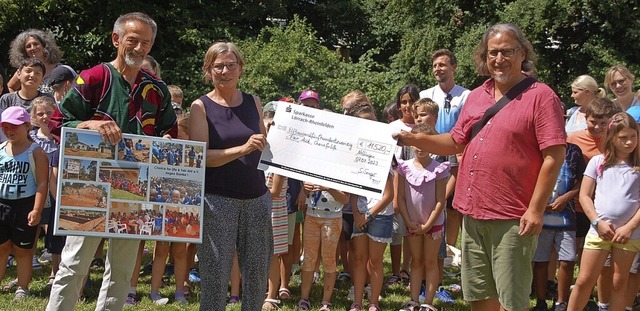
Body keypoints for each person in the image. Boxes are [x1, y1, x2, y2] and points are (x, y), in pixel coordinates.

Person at [394, 23, 566, 311]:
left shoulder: (541, 96)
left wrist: (535, 209)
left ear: (523, 53)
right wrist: (413, 138)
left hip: (514, 218)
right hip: (472, 213)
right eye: (492, 53)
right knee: (479, 295)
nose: (499, 59)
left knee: (512, 300)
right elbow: (455, 142)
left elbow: (554, 155)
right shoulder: (477, 96)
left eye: (507, 51)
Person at [46, 12, 177, 311]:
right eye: (133, 40)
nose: (139, 48)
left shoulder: (157, 89)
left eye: (146, 42)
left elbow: (169, 130)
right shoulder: (94, 77)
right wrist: (88, 125)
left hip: (134, 191)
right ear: (116, 39)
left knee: (121, 270)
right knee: (74, 263)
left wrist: (168, 144)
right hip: (88, 189)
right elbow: (57, 122)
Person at [188, 41, 272, 311]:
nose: (225, 71)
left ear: (241, 69)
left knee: (258, 274)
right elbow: (201, 159)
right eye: (219, 66)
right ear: (208, 70)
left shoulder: (253, 101)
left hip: (257, 198)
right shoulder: (200, 107)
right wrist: (242, 149)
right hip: (217, 200)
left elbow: (265, 145)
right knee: (214, 275)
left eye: (231, 65)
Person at [567, 112, 640, 311]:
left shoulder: (638, 166)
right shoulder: (598, 162)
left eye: (633, 136)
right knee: (584, 280)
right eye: (623, 138)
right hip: (598, 230)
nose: (629, 142)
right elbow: (584, 195)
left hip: (629, 234)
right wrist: (596, 222)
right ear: (612, 137)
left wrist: (630, 227)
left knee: (619, 282)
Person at [396, 123, 450, 311]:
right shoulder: (404, 167)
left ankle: (428, 302)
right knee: (416, 261)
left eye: (424, 143)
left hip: (433, 225)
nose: (420, 148)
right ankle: (414, 300)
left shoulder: (439, 169)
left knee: (430, 262)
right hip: (412, 223)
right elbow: (400, 198)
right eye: (416, 143)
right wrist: (408, 220)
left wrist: (428, 225)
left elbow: (440, 200)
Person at [347, 102, 395, 311]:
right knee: (358, 259)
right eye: (363, 122)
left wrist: (367, 214)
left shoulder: (384, 149)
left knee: (375, 261)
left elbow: (389, 194)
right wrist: (357, 211)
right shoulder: (353, 151)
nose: (368, 126)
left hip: (380, 214)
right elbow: (352, 185)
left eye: (371, 122)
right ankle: (357, 302)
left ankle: (373, 302)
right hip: (359, 212)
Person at [0, 106, 49, 300]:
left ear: (27, 126)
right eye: (5, 127)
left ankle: (23, 287)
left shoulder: (36, 152)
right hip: (2, 205)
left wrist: (37, 209)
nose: (9, 131)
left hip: (25, 206)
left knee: (23, 250)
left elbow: (42, 182)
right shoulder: (1, 150)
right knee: (2, 247)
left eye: (14, 126)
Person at [531, 142, 585, 311]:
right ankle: (541, 301)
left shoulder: (574, 151)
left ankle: (561, 302)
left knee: (568, 261)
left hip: (566, 218)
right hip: (541, 215)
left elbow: (582, 179)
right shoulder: (535, 147)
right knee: (540, 261)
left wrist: (567, 197)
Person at [297, 182, 348, 310]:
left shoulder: (342, 169)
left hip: (333, 217)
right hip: (311, 215)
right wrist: (304, 190)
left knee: (329, 259)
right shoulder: (314, 164)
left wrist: (329, 188)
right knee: (309, 258)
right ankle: (304, 299)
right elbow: (304, 190)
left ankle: (326, 302)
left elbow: (345, 199)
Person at [29, 96, 63, 292]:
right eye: (40, 113)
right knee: (33, 231)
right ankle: (28, 264)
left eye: (49, 113)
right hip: (35, 192)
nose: (45, 117)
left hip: (55, 191)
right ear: (33, 117)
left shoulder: (61, 139)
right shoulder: (31, 139)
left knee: (55, 234)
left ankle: (54, 272)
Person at [7, 29, 64, 93]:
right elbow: (10, 87)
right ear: (24, 51)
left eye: (36, 44)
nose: (33, 48)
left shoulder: (60, 69)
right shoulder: (23, 71)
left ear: (44, 46)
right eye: (28, 46)